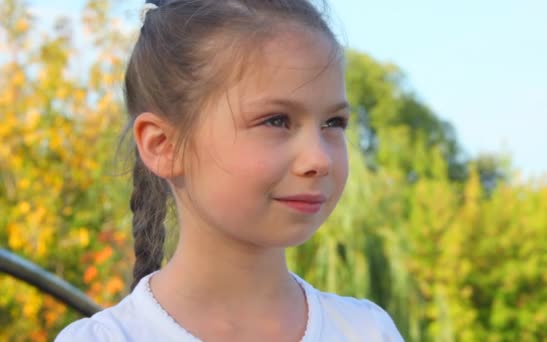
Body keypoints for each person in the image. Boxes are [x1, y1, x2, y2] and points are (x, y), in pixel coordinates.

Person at [56, 0, 404, 341]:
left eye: (333, 122)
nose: (320, 159)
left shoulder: (368, 331)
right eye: (276, 120)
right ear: (163, 145)